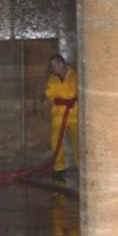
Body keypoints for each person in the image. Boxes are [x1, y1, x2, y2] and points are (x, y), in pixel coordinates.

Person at [43, 54, 80, 183]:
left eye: (54, 65)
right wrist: (57, 100)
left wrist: (72, 100)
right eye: (51, 66)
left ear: (61, 64)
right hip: (59, 115)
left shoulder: (75, 76)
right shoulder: (52, 79)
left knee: (78, 142)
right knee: (56, 142)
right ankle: (59, 168)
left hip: (74, 115)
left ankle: (81, 167)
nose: (52, 68)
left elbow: (77, 92)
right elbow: (50, 94)